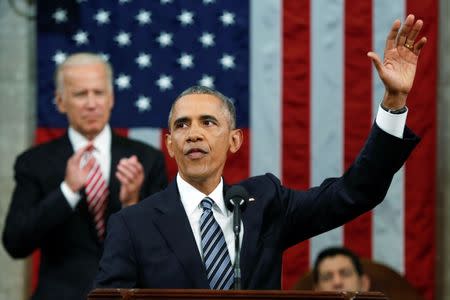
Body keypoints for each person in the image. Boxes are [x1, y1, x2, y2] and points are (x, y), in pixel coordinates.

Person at [94, 15, 426, 290]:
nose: (193, 133)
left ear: (234, 141)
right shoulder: (132, 224)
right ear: (169, 144)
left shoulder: (264, 203)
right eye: (182, 125)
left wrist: (394, 102)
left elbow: (354, 192)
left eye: (208, 122)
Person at [2, 53, 168, 300]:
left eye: (99, 93)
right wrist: (67, 191)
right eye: (81, 94)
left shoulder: (147, 159)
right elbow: (15, 243)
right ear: (60, 101)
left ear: (111, 98)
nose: (92, 104)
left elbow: (163, 248)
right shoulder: (34, 162)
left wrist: (131, 203)